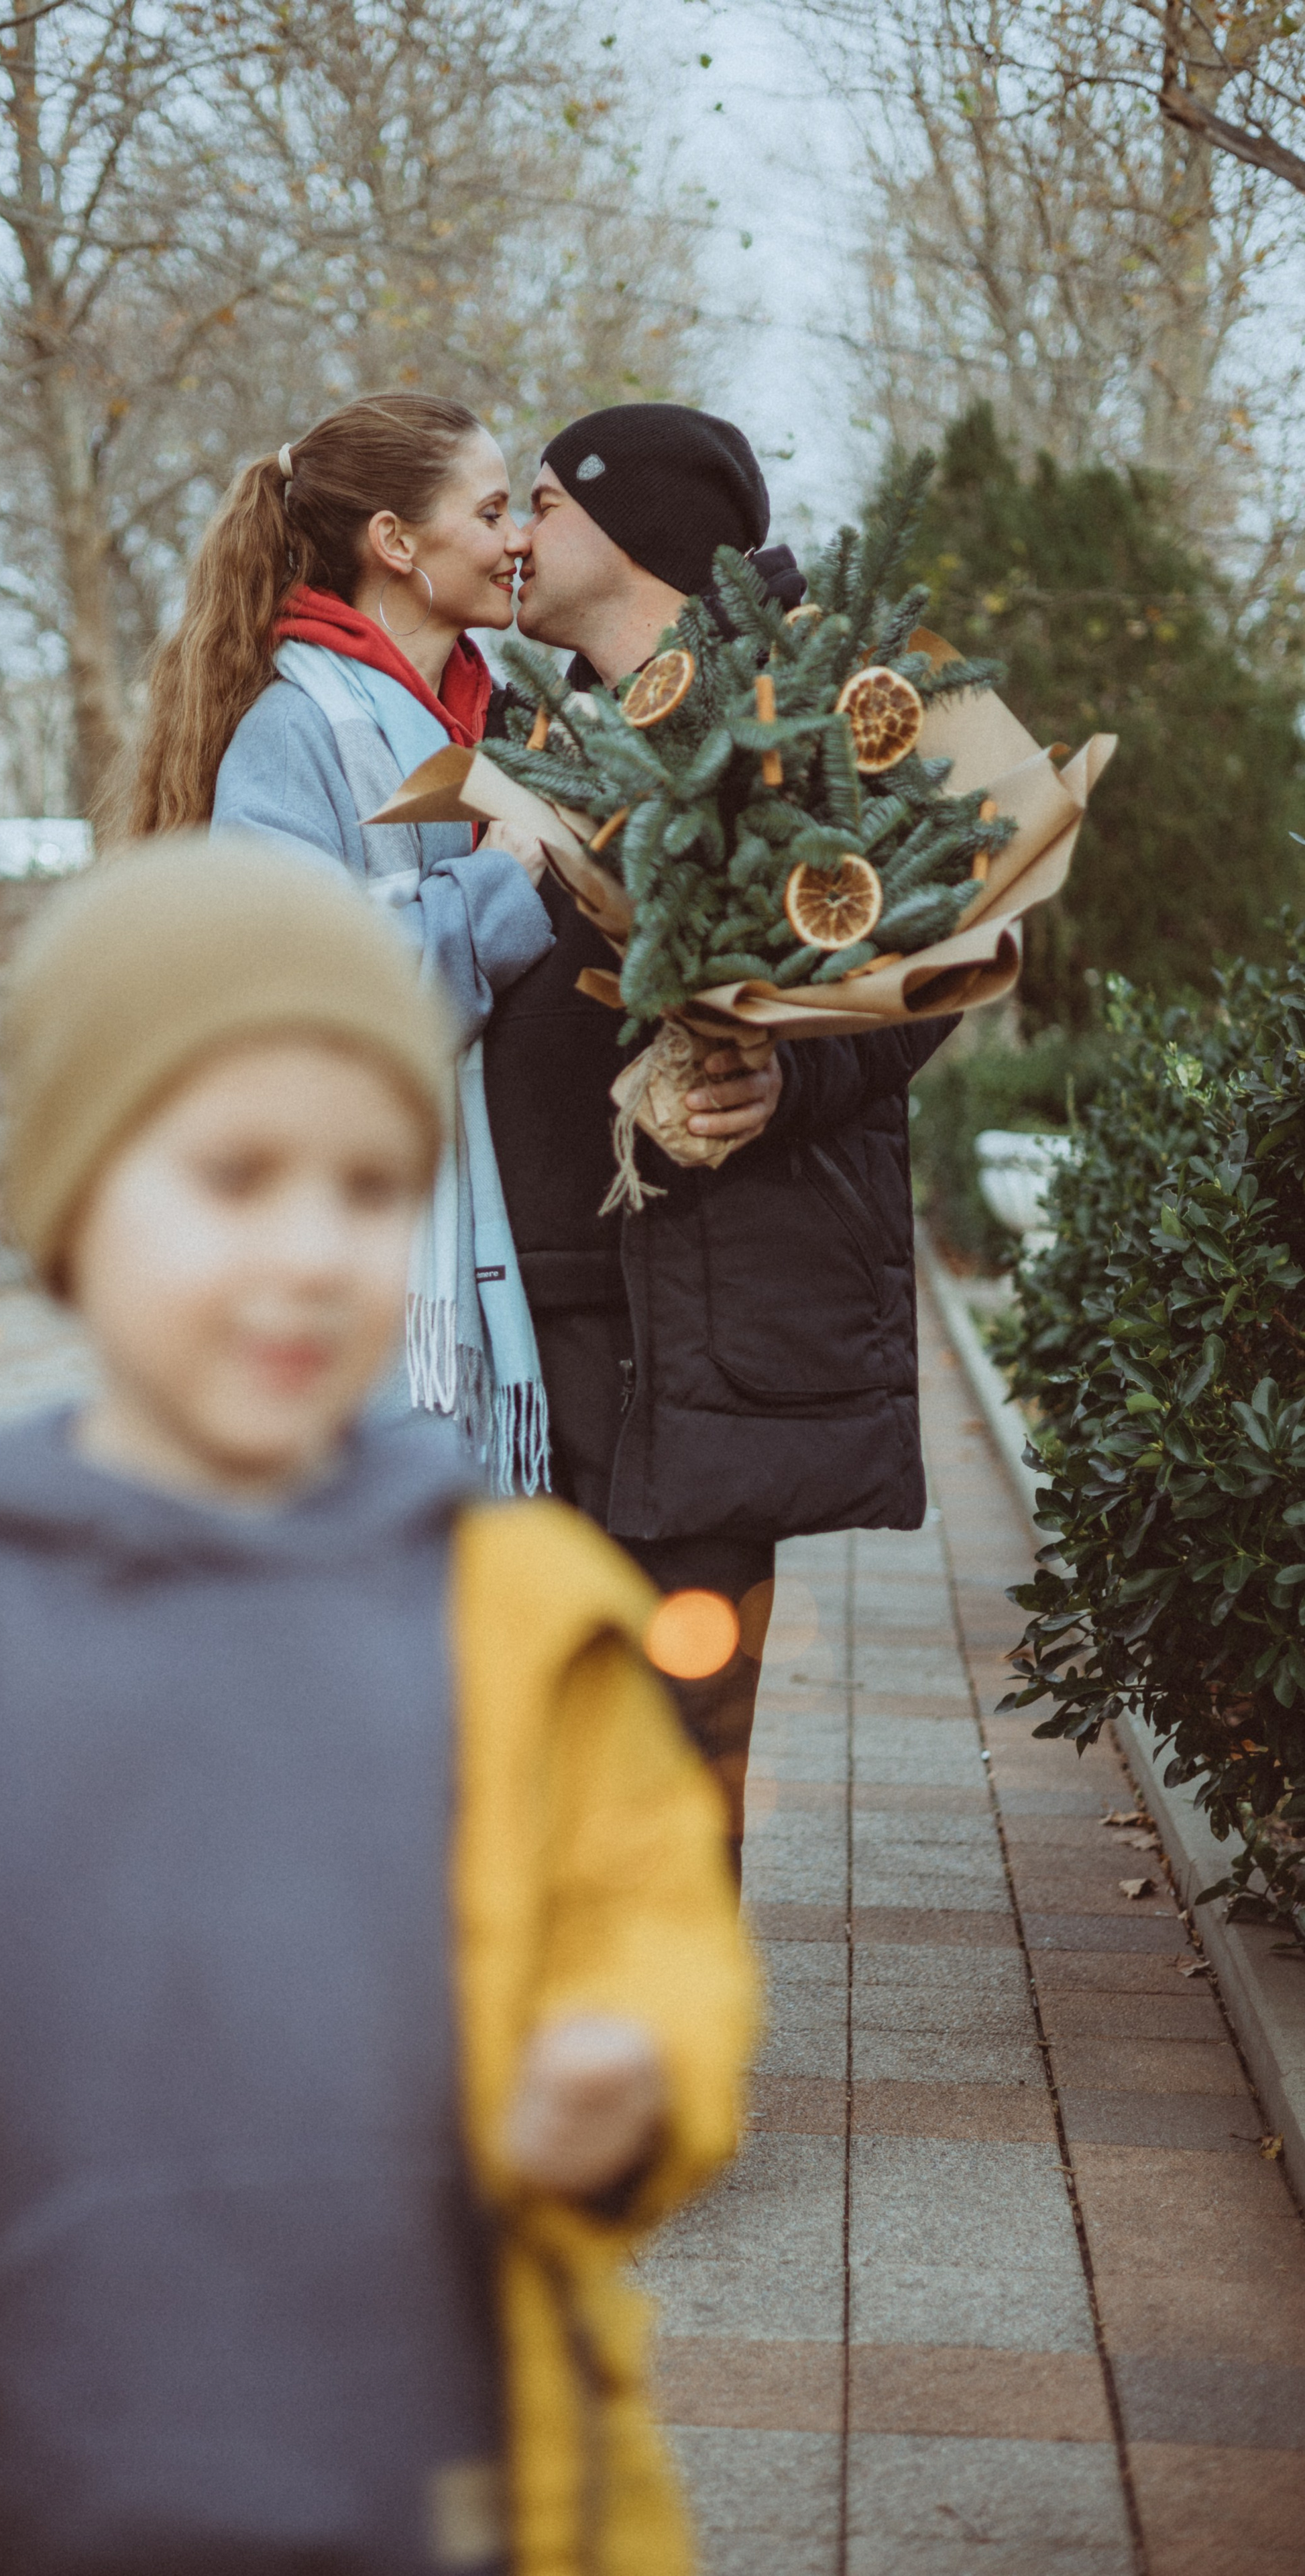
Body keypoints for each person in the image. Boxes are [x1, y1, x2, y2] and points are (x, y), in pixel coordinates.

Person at [0, 838, 759, 2576]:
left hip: (431, 2502)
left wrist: (634, 2052)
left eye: (368, 1186)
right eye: (234, 1178)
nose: (310, 1252)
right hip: (9, 2508)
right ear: (73, 1195)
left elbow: (645, 1916)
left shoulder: (511, 1609)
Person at [484, 402, 956, 1874]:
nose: (513, 536)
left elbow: (931, 964)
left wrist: (782, 1080)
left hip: (706, 1310)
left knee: (679, 1740)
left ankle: (666, 2010)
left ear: (639, 529)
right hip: (537, 1301)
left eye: (541, 503)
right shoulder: (522, 725)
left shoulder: (812, 715)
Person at [123, 391, 557, 1491]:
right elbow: (301, 995)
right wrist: (497, 887)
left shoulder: (490, 723)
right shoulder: (295, 728)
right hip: (361, 1257)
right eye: (493, 512)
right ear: (396, 543)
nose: (519, 540)